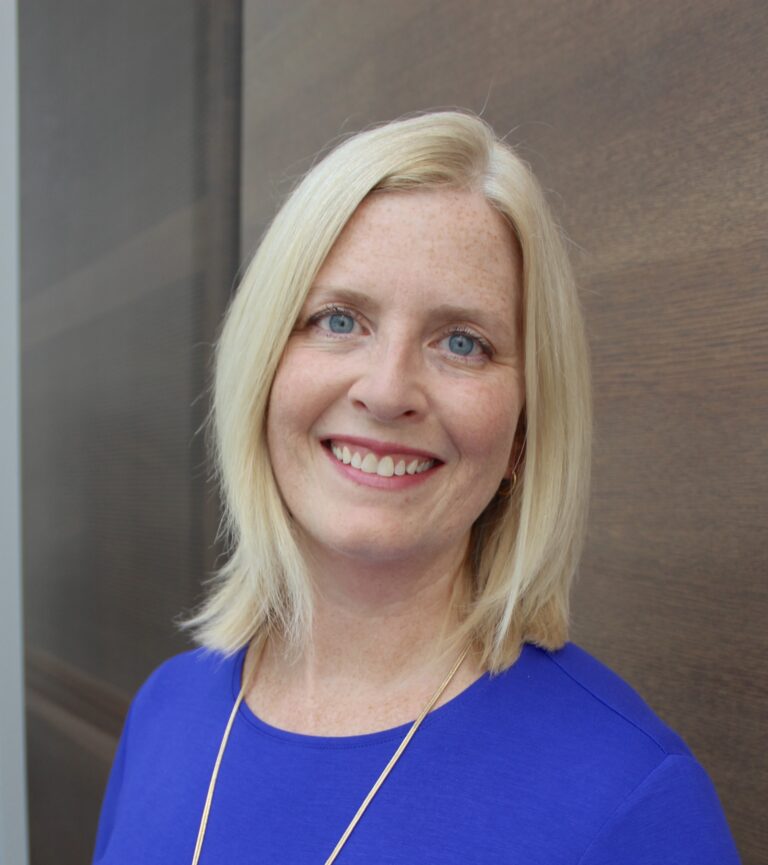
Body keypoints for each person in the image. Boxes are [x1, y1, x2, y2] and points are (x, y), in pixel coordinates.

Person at [92, 111, 740, 864]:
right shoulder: (166, 709)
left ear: (524, 430)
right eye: (339, 319)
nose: (388, 388)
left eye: (462, 342)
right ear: (264, 367)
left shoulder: (631, 798)